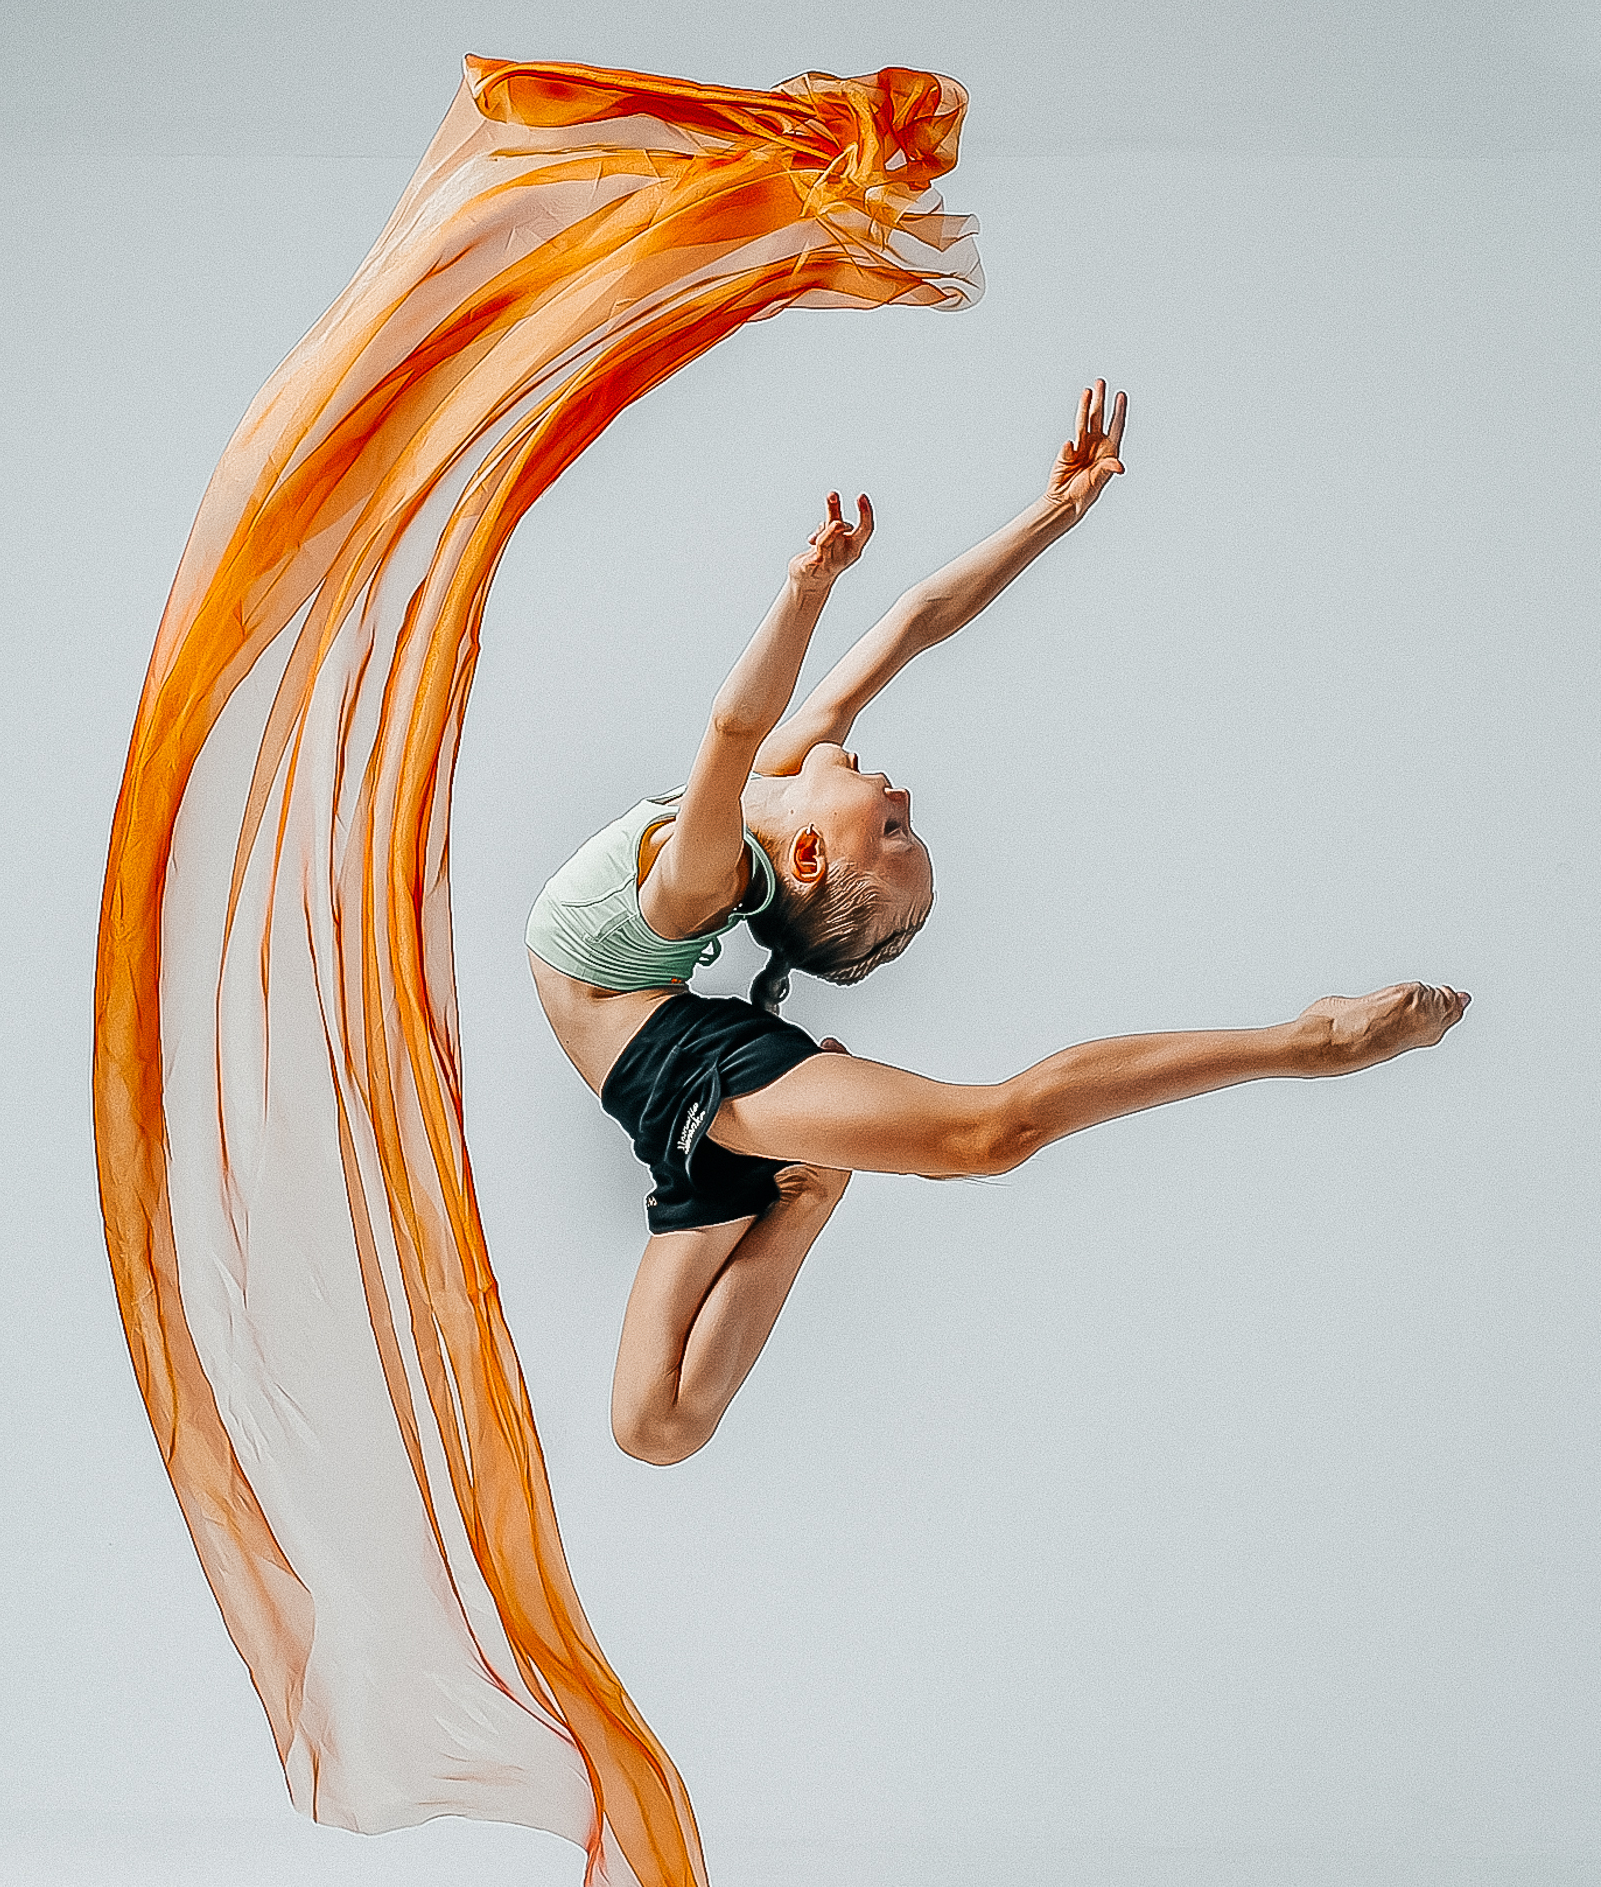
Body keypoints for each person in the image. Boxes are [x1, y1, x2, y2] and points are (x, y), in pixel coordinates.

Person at [525, 383, 1469, 1467]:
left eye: (891, 832)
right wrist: (1054, 510)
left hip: (689, 1066)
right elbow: (917, 621)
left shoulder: (702, 873)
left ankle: (1308, 1042)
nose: (903, 797)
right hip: (662, 1089)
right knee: (658, 1427)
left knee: (991, 1136)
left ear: (808, 858)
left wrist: (802, 594)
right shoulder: (780, 787)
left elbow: (731, 724)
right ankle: (809, 1190)